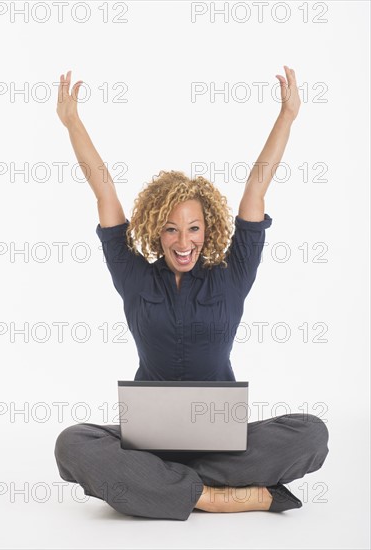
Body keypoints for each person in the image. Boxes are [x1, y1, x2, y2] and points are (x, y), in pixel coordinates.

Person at [54, 67, 329, 521]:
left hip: (218, 446)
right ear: (155, 231)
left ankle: (163, 488)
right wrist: (73, 123)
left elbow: (256, 186)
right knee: (72, 444)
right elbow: (104, 191)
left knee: (311, 432)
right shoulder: (134, 276)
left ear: (209, 229)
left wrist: (287, 116)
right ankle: (219, 497)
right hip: (148, 445)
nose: (184, 242)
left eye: (194, 228)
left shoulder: (233, 273)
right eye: (171, 229)